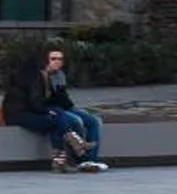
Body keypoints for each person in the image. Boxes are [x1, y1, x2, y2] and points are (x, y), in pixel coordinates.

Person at [10, 44, 107, 173]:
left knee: (92, 120)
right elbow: (35, 102)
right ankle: (79, 155)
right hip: (38, 109)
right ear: (45, 60)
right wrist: (53, 110)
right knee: (72, 120)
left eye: (60, 59)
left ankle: (90, 160)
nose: (57, 62)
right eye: (53, 59)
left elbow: (63, 99)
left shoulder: (58, 75)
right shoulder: (36, 75)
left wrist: (72, 108)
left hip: (55, 107)